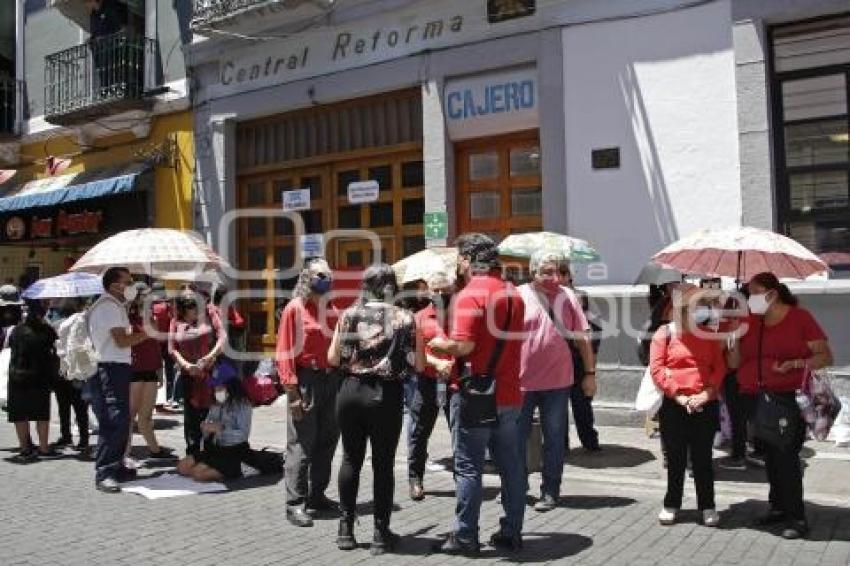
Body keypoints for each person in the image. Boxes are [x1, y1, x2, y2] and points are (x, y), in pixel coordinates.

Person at [429, 233, 527, 556]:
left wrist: (436, 342)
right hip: (510, 392)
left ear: (469, 259)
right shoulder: (515, 293)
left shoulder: (471, 294)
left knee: (469, 466)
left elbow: (465, 346)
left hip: (475, 394)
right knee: (512, 466)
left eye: (459, 258)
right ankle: (512, 531)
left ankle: (466, 535)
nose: (457, 264)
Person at [727, 272, 833, 540]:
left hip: (786, 398)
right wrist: (732, 340)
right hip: (754, 398)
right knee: (770, 458)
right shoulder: (749, 322)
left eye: (753, 292)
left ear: (771, 294)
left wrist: (795, 364)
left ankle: (796, 517)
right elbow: (734, 364)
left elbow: (825, 356)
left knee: (786, 457)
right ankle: (777, 507)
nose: (749, 298)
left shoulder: (799, 319)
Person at [327, 264, 424, 555]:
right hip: (385, 395)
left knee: (350, 459)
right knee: (383, 464)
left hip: (350, 392)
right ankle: (381, 534)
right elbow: (419, 364)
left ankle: (345, 529)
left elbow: (333, 357)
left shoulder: (349, 314)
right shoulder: (406, 318)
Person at [518, 250, 594, 513]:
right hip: (522, 382)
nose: (553, 277)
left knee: (554, 439)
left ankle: (550, 491)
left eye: (556, 271)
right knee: (516, 439)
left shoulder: (568, 296)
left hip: (558, 382)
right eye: (545, 272)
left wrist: (590, 374)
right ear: (533, 273)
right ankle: (517, 486)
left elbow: (583, 338)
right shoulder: (518, 295)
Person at [649, 284, 726, 528]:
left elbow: (719, 368)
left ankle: (707, 506)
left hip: (704, 402)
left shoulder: (708, 334)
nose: (696, 311)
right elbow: (657, 369)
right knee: (676, 459)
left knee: (703, 459)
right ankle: (672, 504)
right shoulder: (664, 333)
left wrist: (707, 393)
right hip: (675, 405)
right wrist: (678, 396)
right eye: (691, 306)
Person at [277, 259, 340, 527]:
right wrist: (292, 394)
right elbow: (284, 352)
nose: (326, 279)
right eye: (320, 275)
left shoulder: (333, 309)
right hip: (306, 381)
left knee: (327, 441)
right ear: (307, 278)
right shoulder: (295, 309)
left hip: (331, 381)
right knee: (302, 444)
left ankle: (317, 495)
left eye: (328, 275)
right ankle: (295, 503)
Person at [88, 267, 149, 493]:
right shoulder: (109, 307)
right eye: (128, 281)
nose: (132, 285)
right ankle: (104, 472)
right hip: (110, 367)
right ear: (115, 285)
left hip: (117, 367)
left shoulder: (115, 306)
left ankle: (116, 465)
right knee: (113, 420)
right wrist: (146, 334)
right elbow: (122, 341)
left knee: (121, 418)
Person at [408, 270, 457, 501]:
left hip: (455, 382)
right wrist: (436, 362)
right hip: (427, 381)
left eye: (444, 290)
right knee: (420, 431)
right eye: (435, 290)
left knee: (459, 432)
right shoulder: (418, 318)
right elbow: (411, 353)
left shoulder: (461, 315)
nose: (439, 294)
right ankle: (415, 478)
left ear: (452, 290)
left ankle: (463, 479)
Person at [169, 291, 226, 458]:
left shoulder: (210, 313)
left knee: (214, 410)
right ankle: (193, 451)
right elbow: (172, 348)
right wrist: (186, 365)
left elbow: (223, 337)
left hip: (215, 370)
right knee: (191, 413)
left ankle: (213, 449)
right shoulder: (175, 320)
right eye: (190, 311)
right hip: (190, 372)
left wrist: (210, 356)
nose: (194, 314)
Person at [177, 363, 252, 482]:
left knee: (198, 474)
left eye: (220, 387)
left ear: (230, 386)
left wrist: (221, 429)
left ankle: (238, 469)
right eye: (215, 387)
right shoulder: (216, 404)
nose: (217, 390)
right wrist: (205, 427)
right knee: (182, 467)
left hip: (234, 451)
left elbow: (243, 434)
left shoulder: (243, 405)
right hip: (215, 449)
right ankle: (215, 468)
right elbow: (209, 424)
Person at [6, 298, 59, 463]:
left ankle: (25, 449)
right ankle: (44, 448)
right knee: (42, 414)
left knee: (20, 415)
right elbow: (54, 352)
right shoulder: (47, 331)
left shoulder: (16, 330)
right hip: (40, 377)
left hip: (17, 377)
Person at [557, 261, 600, 451]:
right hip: (556, 361)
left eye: (562, 273)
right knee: (557, 407)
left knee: (582, 404)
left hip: (578, 360)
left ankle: (589, 441)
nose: (558, 278)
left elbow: (595, 330)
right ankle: (561, 443)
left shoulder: (581, 297)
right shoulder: (545, 298)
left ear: (569, 276)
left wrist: (591, 366)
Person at [126, 282, 171, 462]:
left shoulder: (150, 316)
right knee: (130, 415)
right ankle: (125, 451)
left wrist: (159, 368)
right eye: (145, 295)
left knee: (146, 415)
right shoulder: (127, 317)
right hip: (135, 369)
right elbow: (127, 341)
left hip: (150, 368)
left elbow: (155, 345)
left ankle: (155, 450)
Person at [52, 298, 92, 458]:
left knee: (63, 407)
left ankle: (66, 436)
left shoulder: (56, 325)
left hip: (61, 370)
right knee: (80, 407)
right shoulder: (83, 323)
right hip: (78, 370)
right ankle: (83, 439)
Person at [150, 282, 179, 410]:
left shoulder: (150, 307)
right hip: (167, 341)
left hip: (153, 342)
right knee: (169, 371)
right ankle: (169, 397)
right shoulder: (167, 307)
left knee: (155, 370)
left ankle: (155, 398)